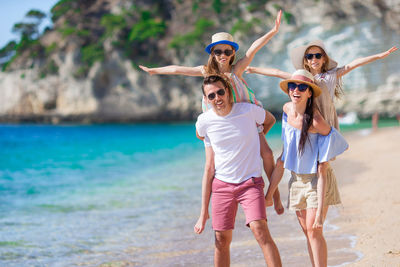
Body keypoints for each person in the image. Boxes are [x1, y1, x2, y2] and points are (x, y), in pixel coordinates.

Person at [140, 10, 285, 214]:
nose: (223, 56)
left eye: (227, 52)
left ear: (232, 53)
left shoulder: (237, 69)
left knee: (267, 154)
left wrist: (273, 30)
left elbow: (254, 48)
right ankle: (212, 207)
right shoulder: (206, 72)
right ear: (212, 54)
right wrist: (155, 71)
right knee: (215, 165)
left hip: (247, 119)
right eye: (218, 52)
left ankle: (274, 198)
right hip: (222, 123)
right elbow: (178, 69)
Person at [246, 40, 398, 208]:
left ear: (324, 59)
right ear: (306, 60)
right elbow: (276, 72)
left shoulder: (331, 76)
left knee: (321, 166)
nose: (314, 59)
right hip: (303, 123)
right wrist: (254, 69)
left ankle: (318, 204)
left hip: (321, 125)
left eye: (318, 55)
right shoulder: (302, 78)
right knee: (282, 160)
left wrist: (379, 55)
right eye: (310, 56)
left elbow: (353, 64)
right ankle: (271, 197)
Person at [195, 75, 281, 266]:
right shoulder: (204, 122)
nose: (217, 97)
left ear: (228, 92)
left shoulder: (249, 111)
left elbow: (271, 119)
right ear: (206, 100)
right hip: (221, 186)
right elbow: (208, 164)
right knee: (221, 240)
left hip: (250, 183)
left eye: (220, 92)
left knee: (260, 230)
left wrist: (255, 137)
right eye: (211, 95)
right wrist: (203, 212)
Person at [264, 69, 348, 267]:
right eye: (293, 86)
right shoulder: (286, 110)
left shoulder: (316, 121)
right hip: (296, 180)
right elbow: (282, 160)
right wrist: (269, 195)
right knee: (308, 233)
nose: (296, 90)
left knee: (314, 230)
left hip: (317, 180)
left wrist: (319, 212)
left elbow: (323, 166)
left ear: (310, 93)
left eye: (303, 87)